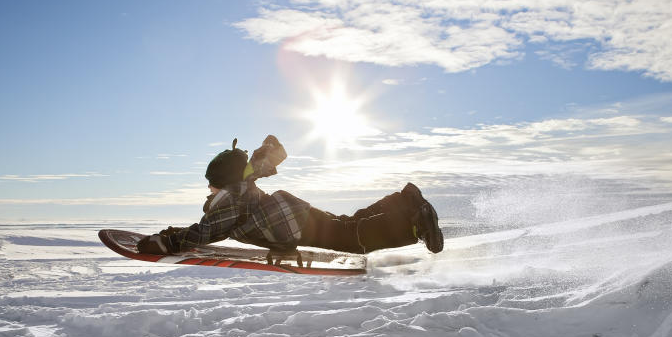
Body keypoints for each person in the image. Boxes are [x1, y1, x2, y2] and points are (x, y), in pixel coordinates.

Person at [136, 135, 444, 256]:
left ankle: (415, 224)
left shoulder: (229, 199)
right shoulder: (241, 187)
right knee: (348, 224)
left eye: (212, 183)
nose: (208, 189)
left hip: (291, 223)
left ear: (223, 183)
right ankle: (404, 201)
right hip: (293, 212)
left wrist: (167, 242)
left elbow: (206, 232)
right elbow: (254, 168)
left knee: (355, 239)